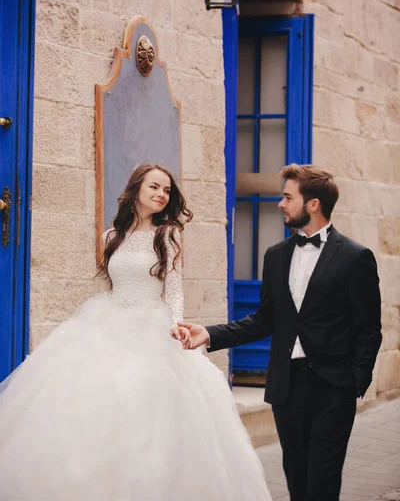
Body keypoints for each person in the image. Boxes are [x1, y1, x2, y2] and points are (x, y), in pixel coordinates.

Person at [0, 163, 271, 501]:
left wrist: (176, 324)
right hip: (108, 321)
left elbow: (173, 289)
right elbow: (112, 283)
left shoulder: (168, 233)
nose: (161, 195)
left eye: (167, 190)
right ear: (136, 190)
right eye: (154, 187)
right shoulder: (111, 236)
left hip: (151, 326)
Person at [180, 164, 382, 501]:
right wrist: (210, 334)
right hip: (287, 388)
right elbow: (263, 320)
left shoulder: (355, 257)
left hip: (333, 389)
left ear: (313, 204)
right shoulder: (275, 256)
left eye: (288, 197)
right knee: (297, 484)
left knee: (322, 484)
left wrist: (354, 382)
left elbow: (368, 329)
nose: (280, 203)